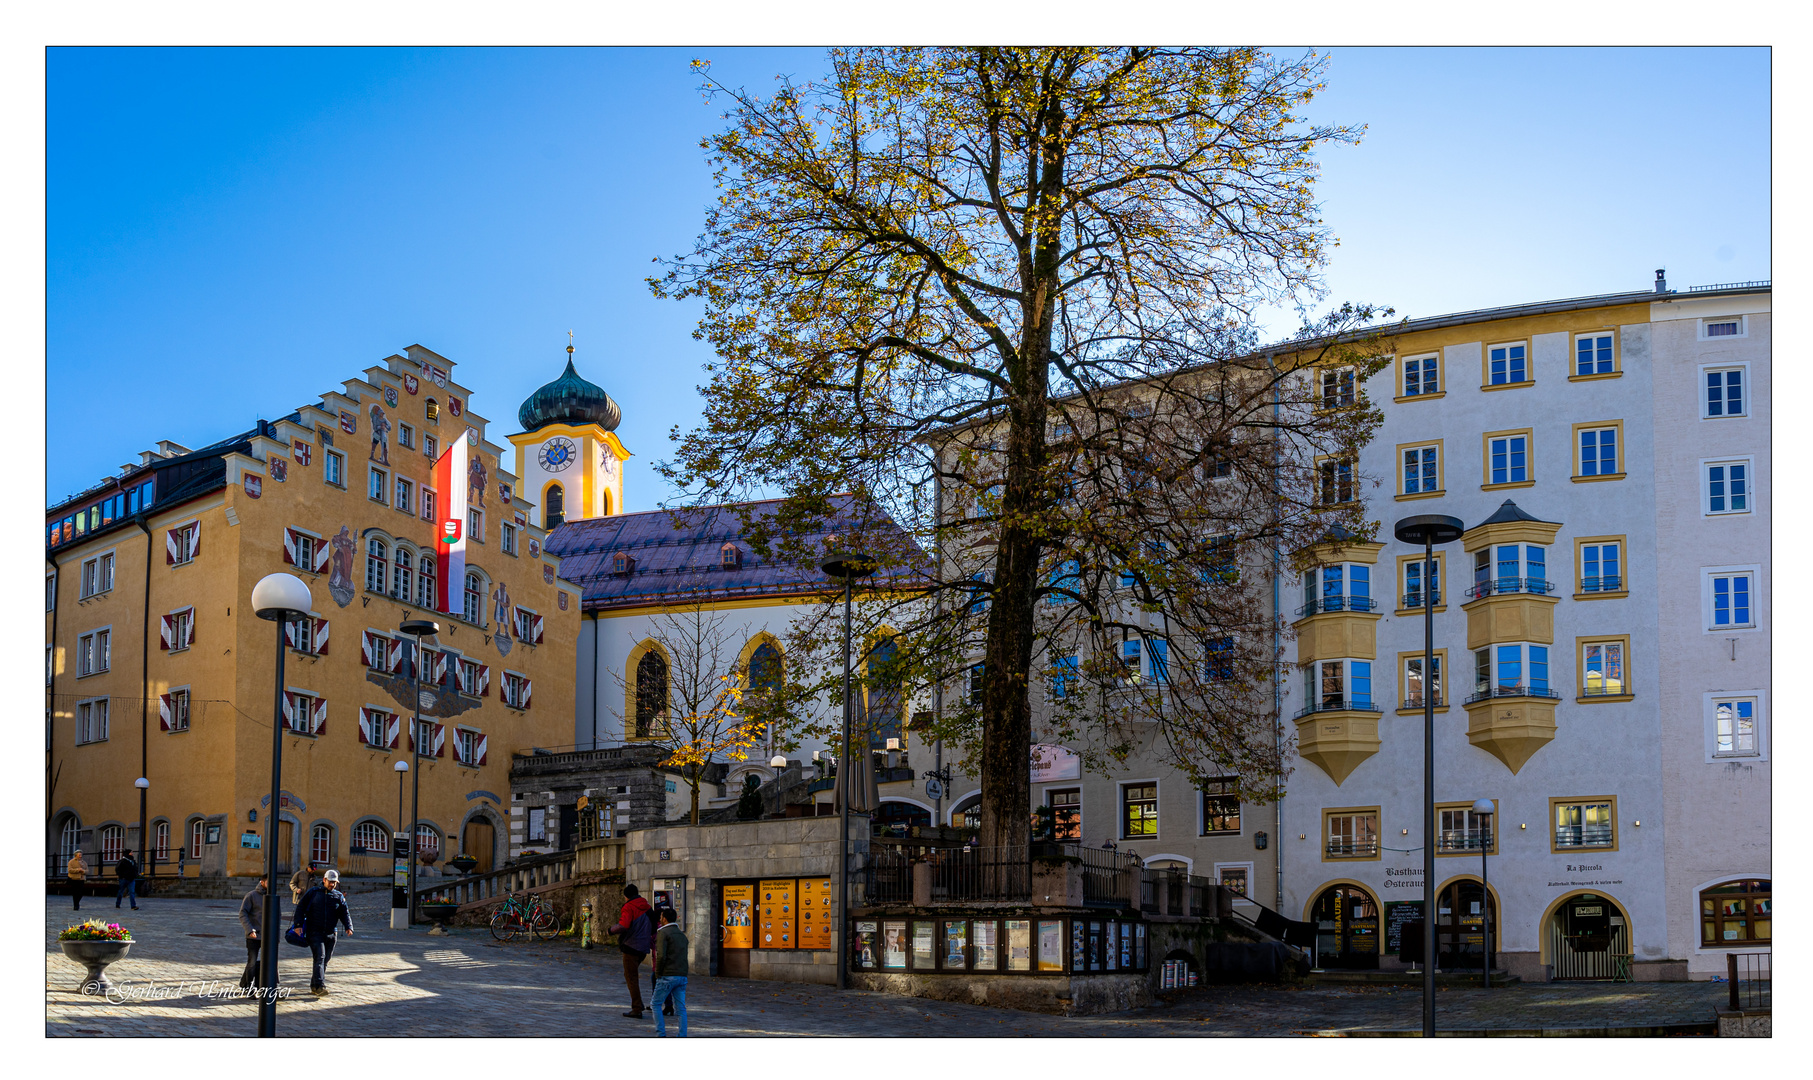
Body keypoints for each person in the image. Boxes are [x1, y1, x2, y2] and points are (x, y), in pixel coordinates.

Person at [294, 868, 353, 996]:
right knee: (319, 957)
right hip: (314, 932)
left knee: (325, 960)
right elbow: (301, 908)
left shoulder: (338, 896)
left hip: (331, 933)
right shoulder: (313, 893)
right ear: (324, 880)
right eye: (330, 882)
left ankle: (314, 985)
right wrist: (298, 925)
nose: (332, 884)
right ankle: (320, 986)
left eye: (335, 882)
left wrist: (348, 926)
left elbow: (344, 912)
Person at [608, 883, 654, 1018]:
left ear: (626, 896)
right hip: (643, 947)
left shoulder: (629, 907)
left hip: (630, 945)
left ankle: (636, 1008)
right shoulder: (647, 907)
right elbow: (653, 927)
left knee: (631, 978)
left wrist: (611, 930)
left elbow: (624, 925)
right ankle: (638, 1004)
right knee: (632, 976)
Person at [651, 907, 689, 1037]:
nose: (660, 919)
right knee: (681, 1008)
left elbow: (661, 955)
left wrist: (658, 973)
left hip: (667, 974)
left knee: (655, 1004)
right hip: (681, 975)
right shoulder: (681, 935)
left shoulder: (663, 933)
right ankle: (682, 1035)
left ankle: (661, 1034)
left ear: (664, 919)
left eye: (661, 917)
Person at [239, 877, 268, 989]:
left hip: (268, 936)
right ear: (262, 882)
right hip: (253, 935)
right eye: (268, 882)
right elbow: (242, 914)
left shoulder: (272, 897)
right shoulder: (251, 895)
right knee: (252, 962)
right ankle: (249, 987)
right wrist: (249, 930)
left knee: (270, 962)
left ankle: (271, 987)